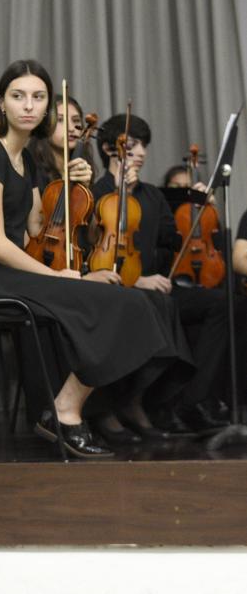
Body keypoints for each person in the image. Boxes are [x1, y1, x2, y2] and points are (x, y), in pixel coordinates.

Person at [0, 59, 189, 458]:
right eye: (18, 96)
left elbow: (35, 228)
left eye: (38, 97)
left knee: (131, 301)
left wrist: (69, 185)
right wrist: (62, 277)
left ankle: (64, 407)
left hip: (14, 271)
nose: (29, 105)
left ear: (47, 108)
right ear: (2, 103)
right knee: (119, 303)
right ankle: (64, 411)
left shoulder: (25, 158)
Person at [92, 114, 235, 434]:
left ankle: (193, 400)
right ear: (107, 148)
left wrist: (200, 208)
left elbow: (173, 244)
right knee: (157, 305)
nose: (141, 152)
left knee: (222, 302)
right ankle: (132, 400)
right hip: (117, 288)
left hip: (155, 286)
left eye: (144, 145)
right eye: (133, 145)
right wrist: (136, 279)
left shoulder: (154, 196)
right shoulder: (96, 192)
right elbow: (91, 256)